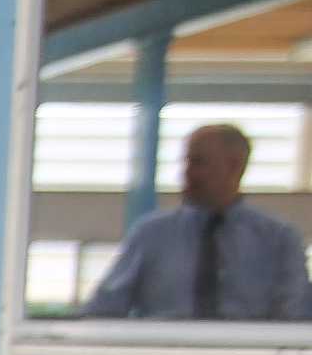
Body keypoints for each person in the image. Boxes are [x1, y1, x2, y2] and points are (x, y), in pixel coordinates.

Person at [84, 124, 312, 321]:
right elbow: (104, 307)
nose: (187, 173)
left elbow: (293, 316)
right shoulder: (151, 235)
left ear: (235, 166)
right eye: (186, 162)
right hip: (163, 353)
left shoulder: (280, 240)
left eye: (198, 162)